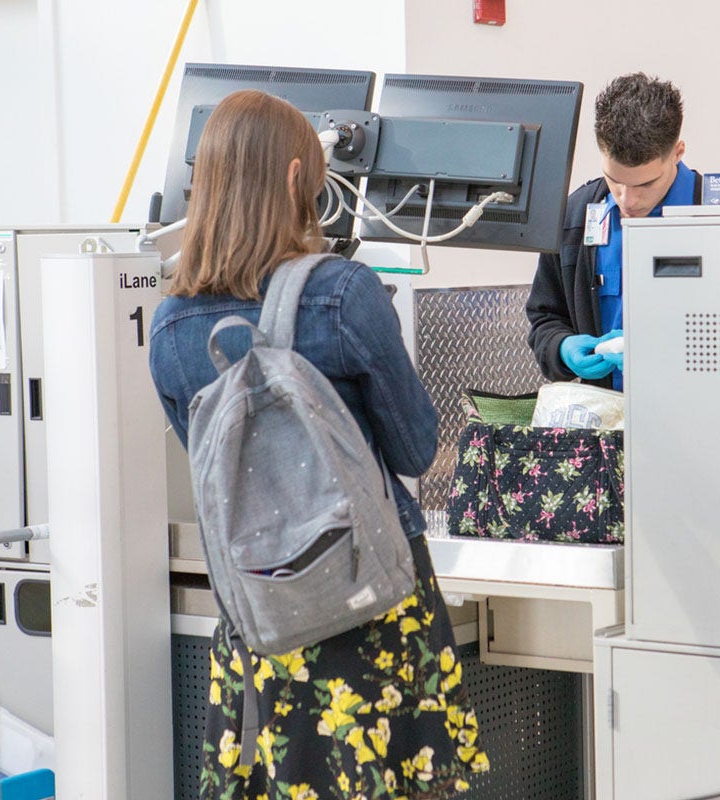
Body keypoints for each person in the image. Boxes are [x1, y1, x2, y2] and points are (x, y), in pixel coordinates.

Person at [148, 89, 488, 800]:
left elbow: (209, 465)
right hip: (372, 612)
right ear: (300, 177)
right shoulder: (343, 294)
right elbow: (416, 449)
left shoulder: (173, 329)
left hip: (265, 624)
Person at [526, 72, 701, 391]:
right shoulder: (574, 218)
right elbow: (545, 319)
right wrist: (562, 349)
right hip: (604, 419)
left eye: (646, 183)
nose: (627, 200)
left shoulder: (719, 217)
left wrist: (664, 351)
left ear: (677, 152)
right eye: (614, 179)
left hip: (697, 414)